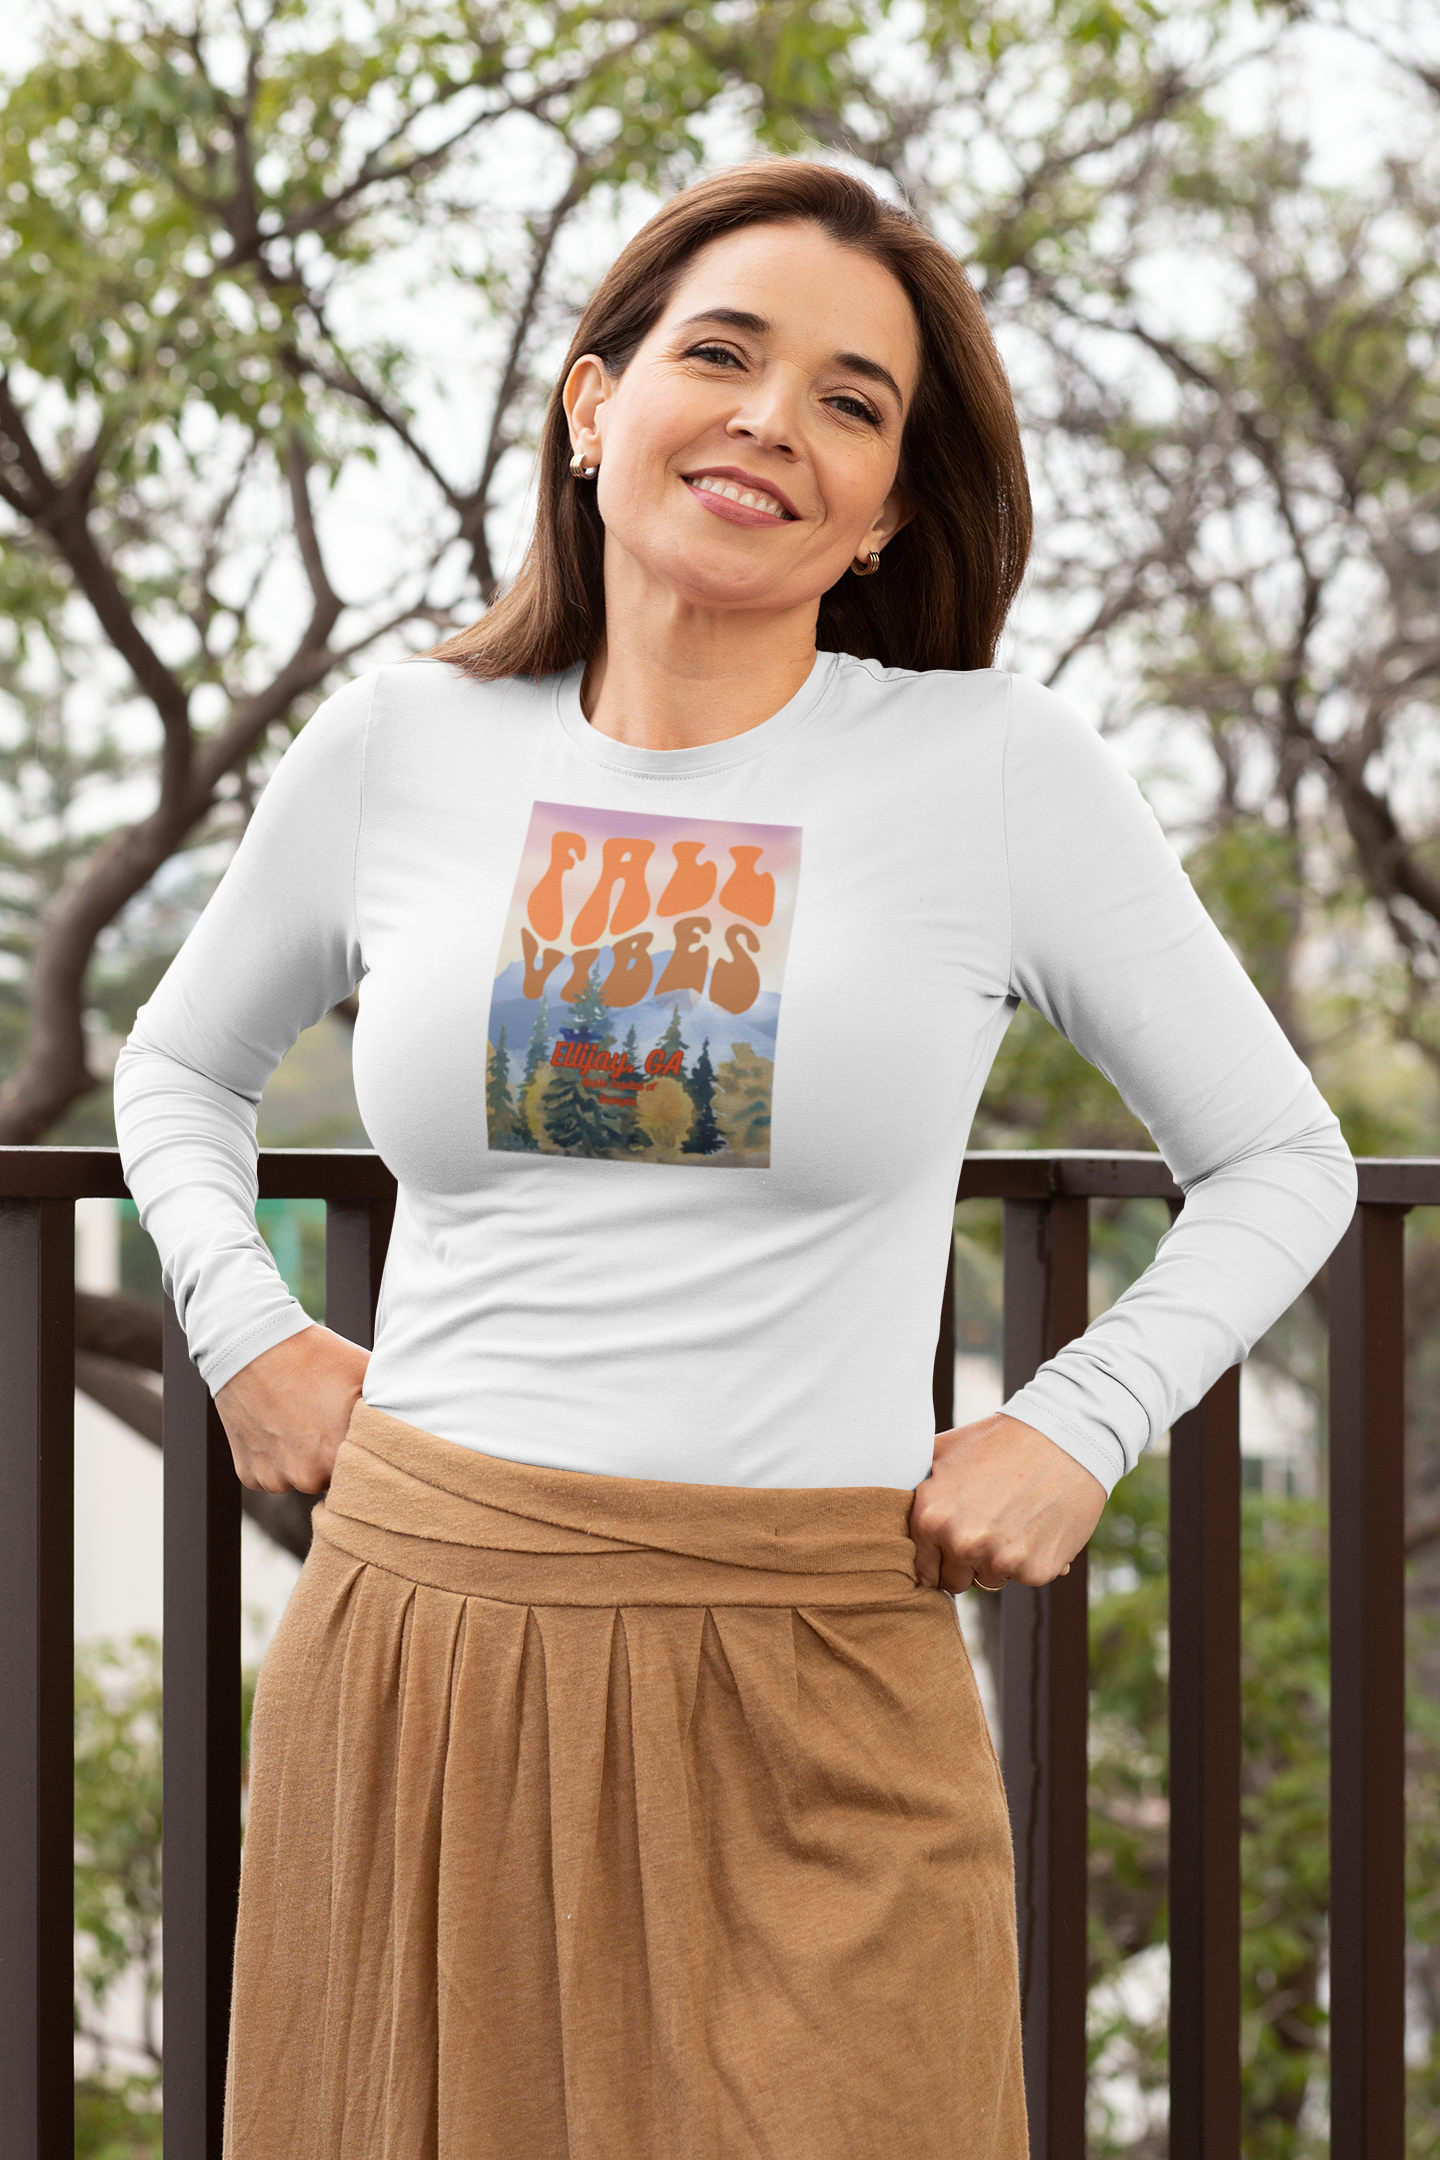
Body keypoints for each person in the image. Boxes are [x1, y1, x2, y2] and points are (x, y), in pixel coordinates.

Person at [115, 159, 1356, 2160]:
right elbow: (179, 1067)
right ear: (595, 407)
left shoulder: (994, 771)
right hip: (427, 1640)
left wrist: (1081, 1422)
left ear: (880, 520)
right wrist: (249, 1327)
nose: (778, 419)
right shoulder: (399, 747)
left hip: (815, 1662)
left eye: (854, 403)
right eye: (725, 353)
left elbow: (1281, 1157)